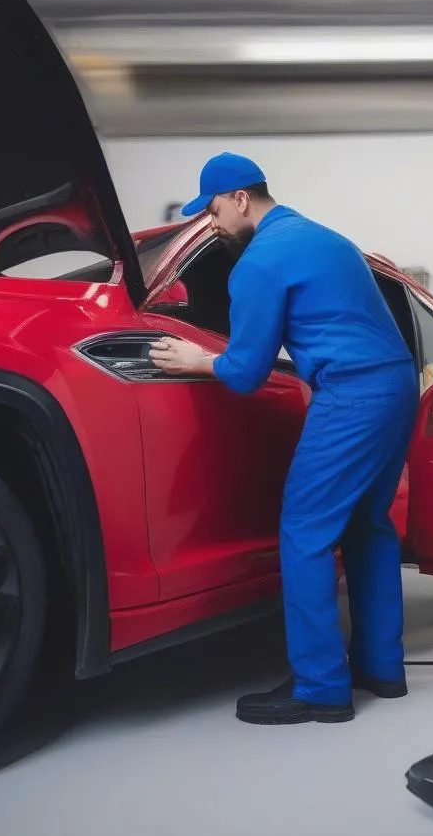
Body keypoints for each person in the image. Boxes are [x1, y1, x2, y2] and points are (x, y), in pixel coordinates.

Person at [150, 152, 419, 725]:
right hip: (397, 385)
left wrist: (199, 360)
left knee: (304, 532)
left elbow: (245, 373)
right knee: (369, 526)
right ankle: (381, 669)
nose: (212, 223)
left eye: (215, 210)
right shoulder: (328, 239)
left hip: (351, 394)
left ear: (241, 199)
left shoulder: (258, 262)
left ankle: (321, 688)